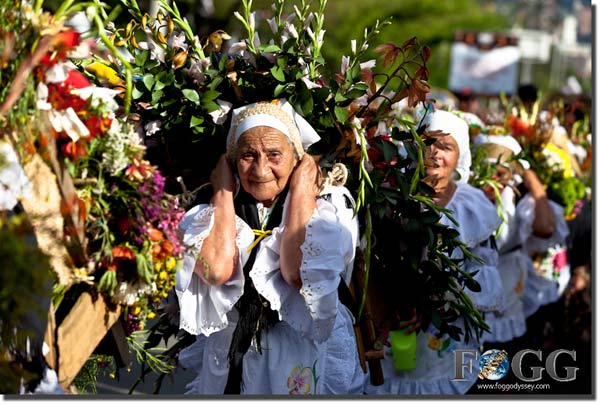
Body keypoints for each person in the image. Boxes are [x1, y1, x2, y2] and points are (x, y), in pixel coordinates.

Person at [174, 99, 365, 395]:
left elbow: (297, 273)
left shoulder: (331, 208)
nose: (261, 169)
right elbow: (217, 270)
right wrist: (223, 193)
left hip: (302, 350)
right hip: (232, 355)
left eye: (274, 154)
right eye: (248, 155)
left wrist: (302, 190)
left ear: (297, 158)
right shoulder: (211, 213)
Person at [365, 108, 504, 395]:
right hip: (394, 325)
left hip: (449, 330)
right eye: (428, 142)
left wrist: (443, 294)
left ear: (459, 156)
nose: (435, 153)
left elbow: (486, 275)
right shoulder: (391, 194)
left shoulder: (472, 204)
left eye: (446, 146)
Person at [472, 134, 568, 348]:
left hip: (509, 286)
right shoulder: (467, 199)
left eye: (500, 174)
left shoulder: (518, 200)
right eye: (486, 172)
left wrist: (527, 173)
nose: (492, 180)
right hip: (473, 292)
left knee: (505, 354)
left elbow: (546, 228)